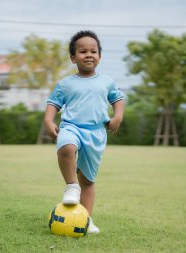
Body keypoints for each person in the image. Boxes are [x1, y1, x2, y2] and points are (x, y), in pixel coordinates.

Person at [44, 30, 124, 234]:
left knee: (87, 181)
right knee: (66, 146)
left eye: (93, 51)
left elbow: (117, 99)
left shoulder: (106, 81)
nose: (89, 54)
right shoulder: (66, 83)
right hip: (71, 126)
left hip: (96, 133)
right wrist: (48, 119)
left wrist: (118, 116)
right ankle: (71, 186)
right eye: (82, 51)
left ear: (100, 56)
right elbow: (53, 103)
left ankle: (85, 220)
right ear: (73, 58)